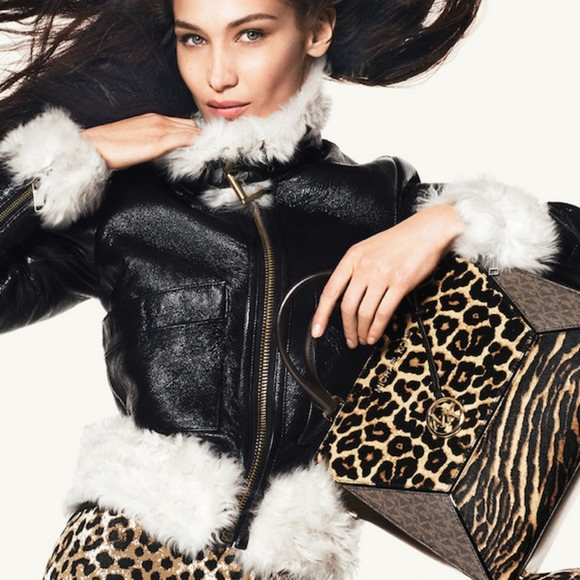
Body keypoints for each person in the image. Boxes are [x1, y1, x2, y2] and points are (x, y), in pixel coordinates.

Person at [0, 1, 576, 579]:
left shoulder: (378, 202)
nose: (218, 74)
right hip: (132, 554)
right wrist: (61, 165)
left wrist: (448, 220)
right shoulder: (128, 207)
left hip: (287, 565)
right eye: (193, 39)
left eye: (250, 35)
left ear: (317, 30)